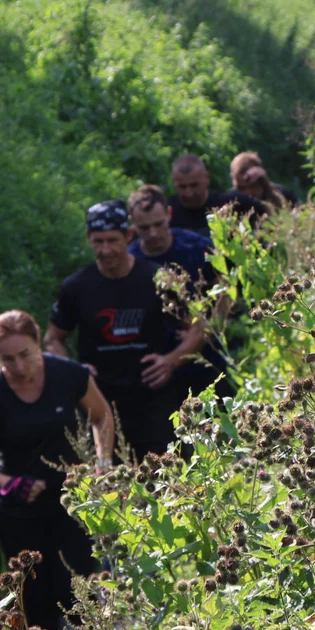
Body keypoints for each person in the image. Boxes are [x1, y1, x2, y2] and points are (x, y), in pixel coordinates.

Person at [0, 310, 114, 630]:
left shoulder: (69, 375)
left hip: (72, 501)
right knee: (35, 600)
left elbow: (102, 417)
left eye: (24, 355)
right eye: (7, 360)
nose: (18, 366)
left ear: (38, 344)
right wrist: (10, 485)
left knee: (79, 588)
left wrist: (101, 462)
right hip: (20, 511)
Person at [44, 199, 205, 459]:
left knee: (162, 480)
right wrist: (74, 371)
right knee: (107, 482)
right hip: (99, 402)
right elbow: (52, 339)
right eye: (98, 242)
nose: (105, 250)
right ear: (88, 239)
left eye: (112, 240)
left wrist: (171, 361)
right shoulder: (77, 287)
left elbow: (199, 326)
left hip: (152, 398)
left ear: (128, 235)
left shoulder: (158, 279)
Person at [127, 184, 233, 401]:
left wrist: (211, 328)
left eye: (158, 224)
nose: (153, 233)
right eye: (144, 228)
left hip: (204, 354)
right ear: (132, 224)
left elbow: (227, 290)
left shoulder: (196, 247)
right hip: (152, 362)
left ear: (169, 214)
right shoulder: (130, 259)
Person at [169, 153, 269, 235]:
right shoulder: (167, 213)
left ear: (206, 178)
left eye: (194, 185)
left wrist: (266, 186)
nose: (189, 193)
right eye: (182, 187)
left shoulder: (232, 204)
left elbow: (276, 215)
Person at [229, 151, 299, 210]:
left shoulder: (284, 194)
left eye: (252, 186)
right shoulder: (231, 201)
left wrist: (269, 190)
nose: (247, 192)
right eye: (241, 188)